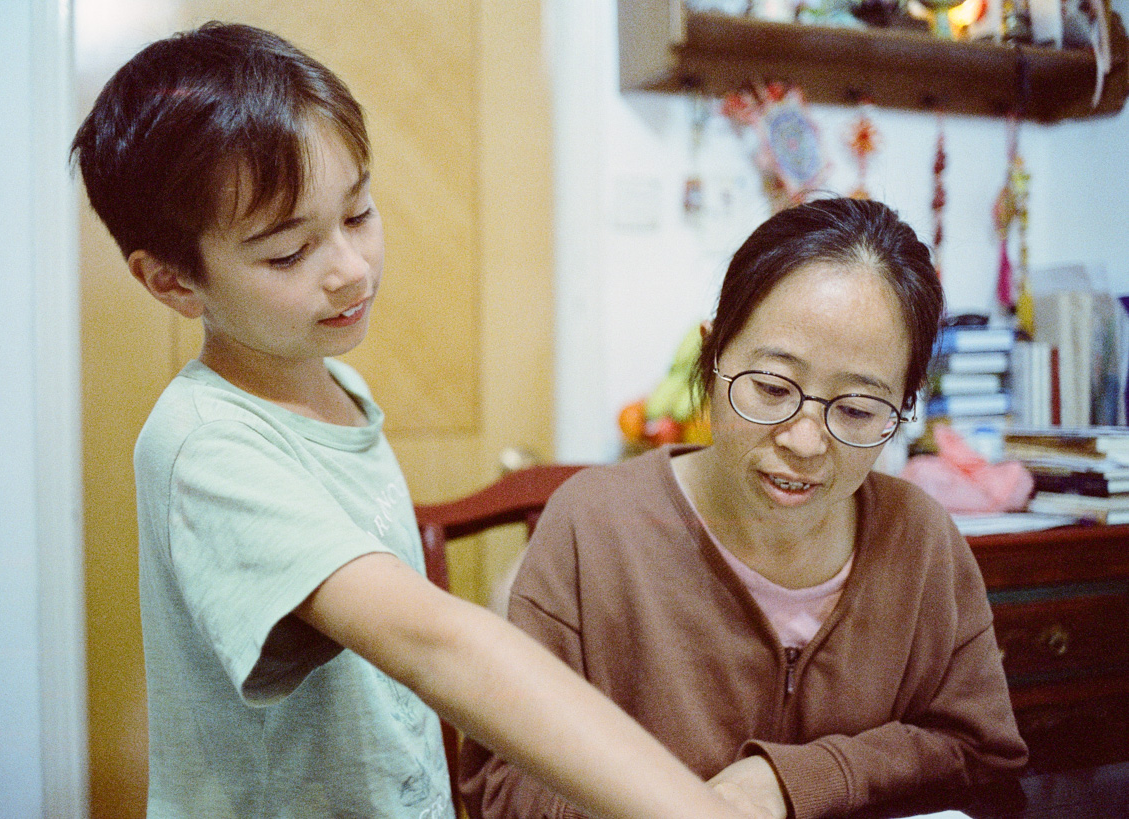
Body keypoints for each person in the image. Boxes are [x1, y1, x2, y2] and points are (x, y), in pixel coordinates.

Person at [72, 21, 766, 819]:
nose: (349, 268)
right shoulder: (206, 445)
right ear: (171, 281)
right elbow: (431, 644)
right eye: (287, 252)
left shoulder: (329, 383)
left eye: (358, 213)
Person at [459, 197, 1030, 819]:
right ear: (710, 359)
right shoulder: (593, 528)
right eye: (772, 388)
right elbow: (503, 788)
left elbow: (982, 751)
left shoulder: (920, 538)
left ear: (904, 406)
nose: (805, 442)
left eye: (858, 410)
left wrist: (790, 782)